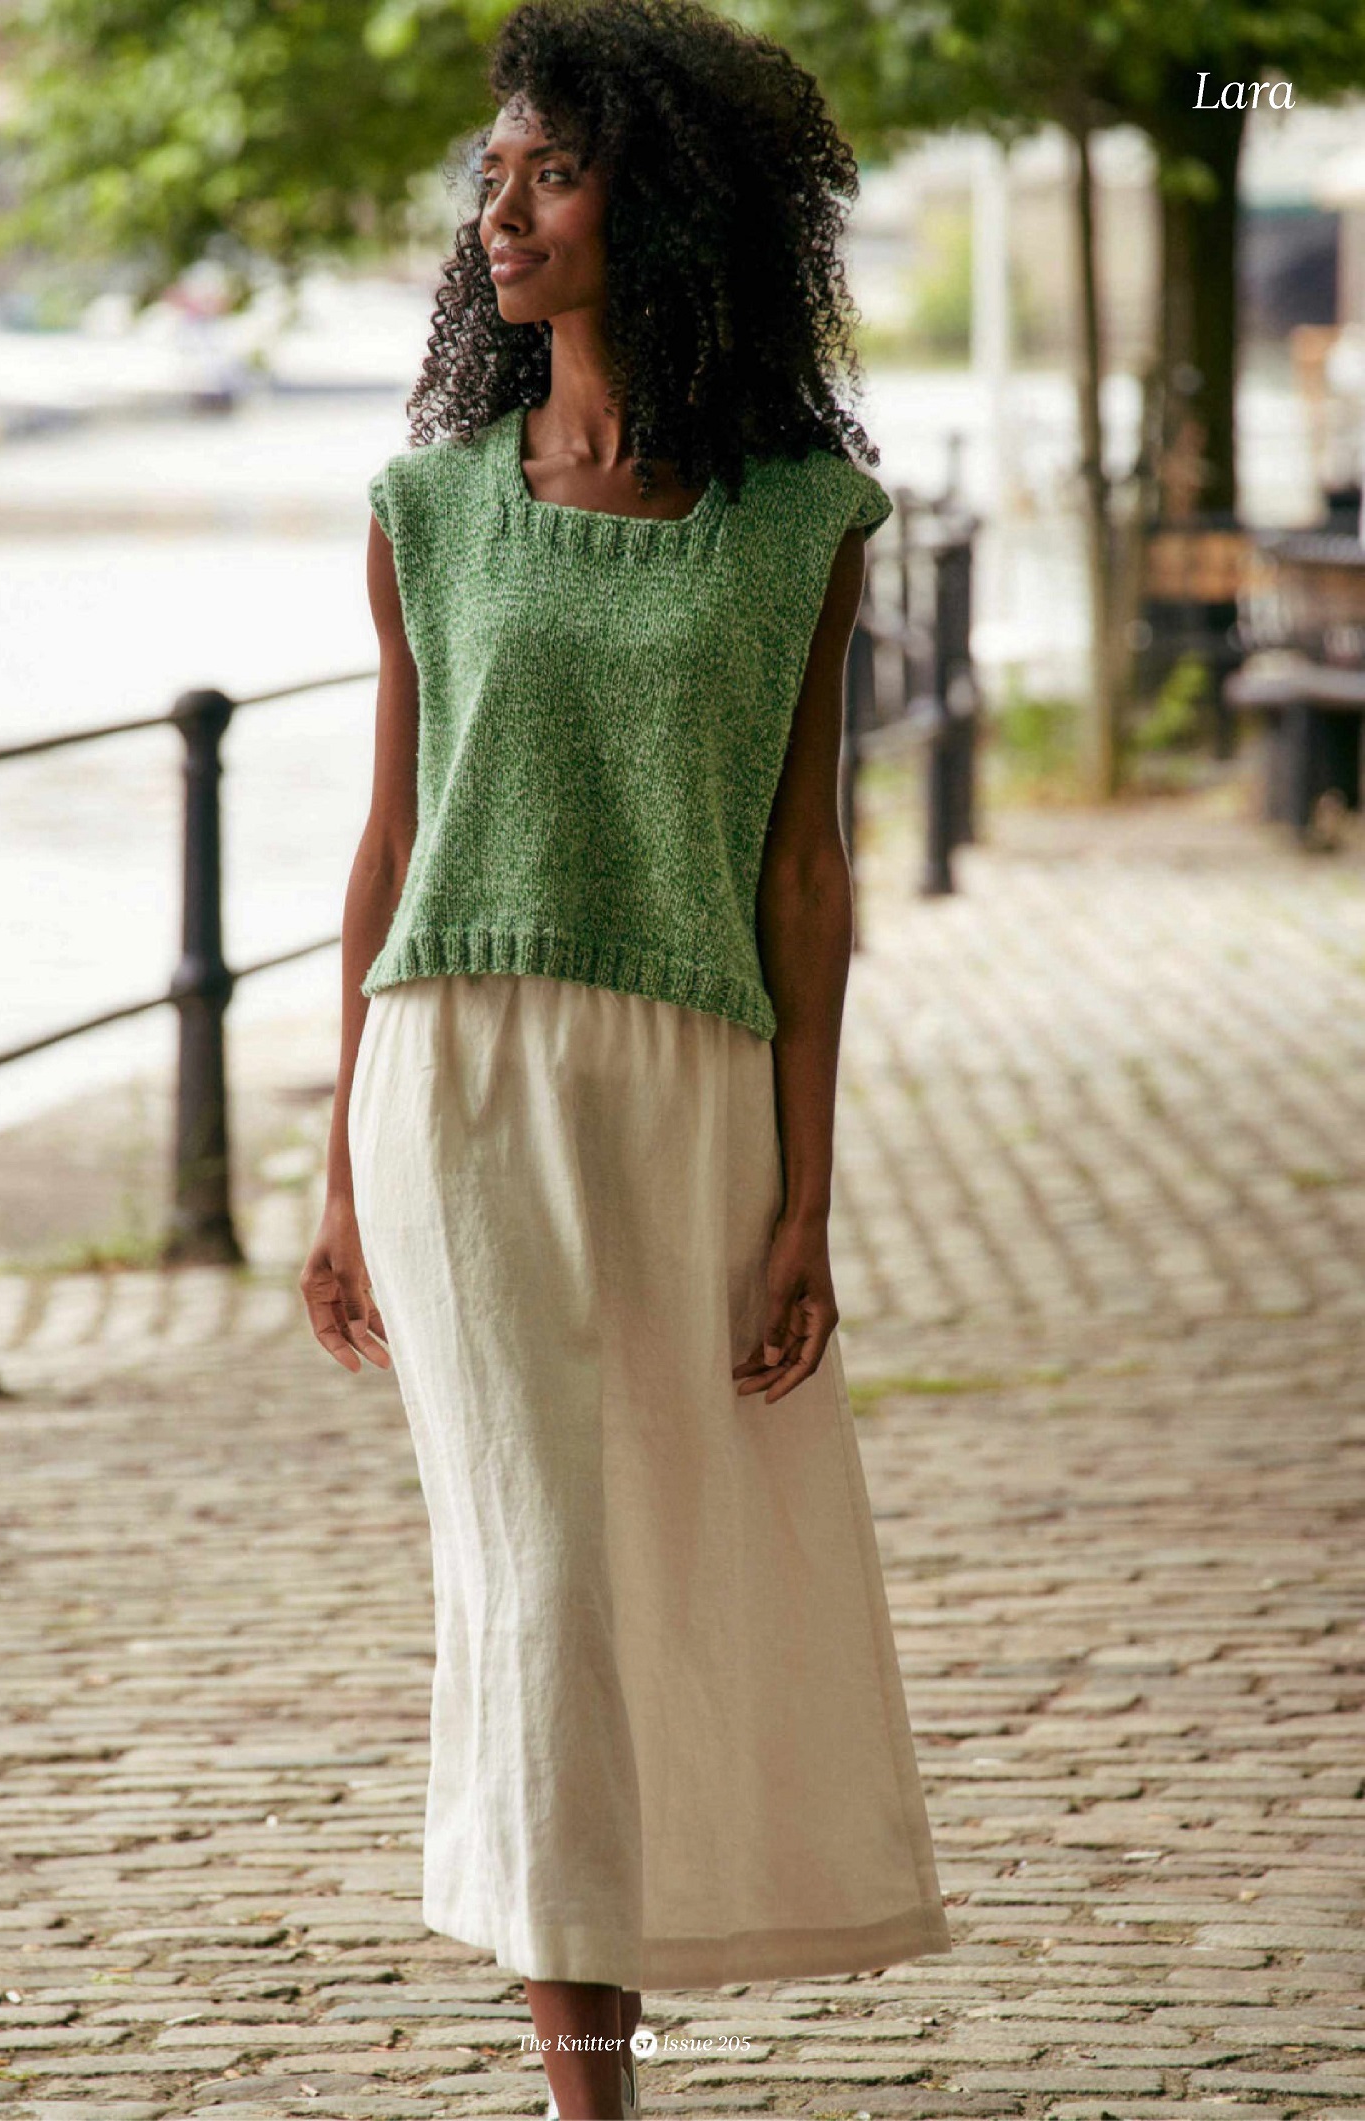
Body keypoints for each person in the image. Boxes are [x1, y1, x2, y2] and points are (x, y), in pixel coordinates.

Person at [299, 2, 952, 2113]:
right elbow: (388, 846)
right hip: (459, 1082)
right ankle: (599, 2092)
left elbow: (804, 871)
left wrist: (808, 1194)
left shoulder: (802, 522)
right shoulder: (427, 506)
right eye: (491, 177)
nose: (501, 212)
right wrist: (337, 1168)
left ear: (658, 210)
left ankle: (641, 1986)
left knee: (673, 1549)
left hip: (690, 1089)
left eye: (551, 174)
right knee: (549, 1581)